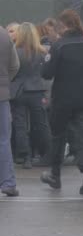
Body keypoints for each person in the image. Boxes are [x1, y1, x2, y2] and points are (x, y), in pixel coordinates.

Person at [40, 10, 83, 196]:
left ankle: (55, 175)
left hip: (63, 98)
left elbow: (47, 73)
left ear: (63, 26)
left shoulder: (59, 46)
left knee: (58, 136)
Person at [10, 23, 52, 169]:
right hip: (37, 90)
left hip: (18, 91)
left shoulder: (14, 51)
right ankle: (46, 152)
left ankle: (25, 156)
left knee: (20, 125)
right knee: (41, 124)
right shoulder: (43, 52)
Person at [0, 26, 20, 197]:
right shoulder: (4, 35)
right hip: (1, 97)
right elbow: (14, 66)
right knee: (3, 141)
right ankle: (8, 182)